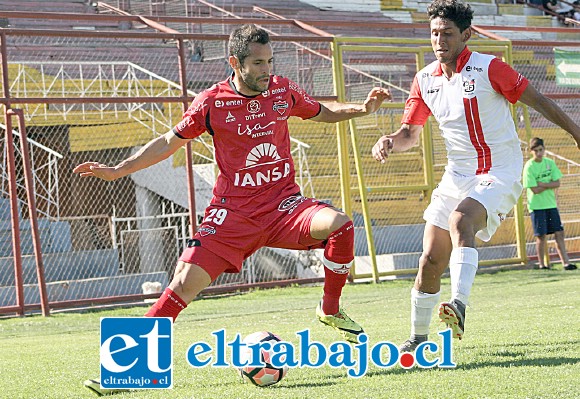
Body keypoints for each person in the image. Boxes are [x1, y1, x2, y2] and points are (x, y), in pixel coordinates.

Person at [75, 24, 391, 395]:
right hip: (232, 216)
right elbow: (167, 142)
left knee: (340, 225)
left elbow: (322, 112)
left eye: (270, 61)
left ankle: (330, 309)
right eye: (258, 63)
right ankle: (125, 374)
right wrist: (119, 169)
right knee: (181, 285)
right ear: (234, 62)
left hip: (283, 207)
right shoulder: (212, 102)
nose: (266, 70)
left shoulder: (282, 90)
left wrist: (363, 109)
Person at [371, 0, 580, 352]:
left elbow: (539, 100)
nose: (439, 40)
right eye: (434, 33)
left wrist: (575, 131)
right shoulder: (424, 80)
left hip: (500, 168)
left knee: (460, 220)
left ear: (466, 34)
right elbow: (410, 133)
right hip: (457, 174)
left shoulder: (489, 68)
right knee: (429, 260)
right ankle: (418, 340)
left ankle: (459, 304)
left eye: (447, 33)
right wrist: (391, 141)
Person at [523, 137, 577, 270]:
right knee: (541, 236)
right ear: (531, 151)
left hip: (551, 205)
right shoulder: (529, 166)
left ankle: (566, 262)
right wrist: (548, 185)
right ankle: (542, 265)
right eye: (536, 151)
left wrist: (543, 184)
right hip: (537, 206)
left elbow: (557, 183)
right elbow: (534, 190)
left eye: (541, 150)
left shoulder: (549, 163)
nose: (539, 153)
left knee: (559, 233)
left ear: (544, 149)